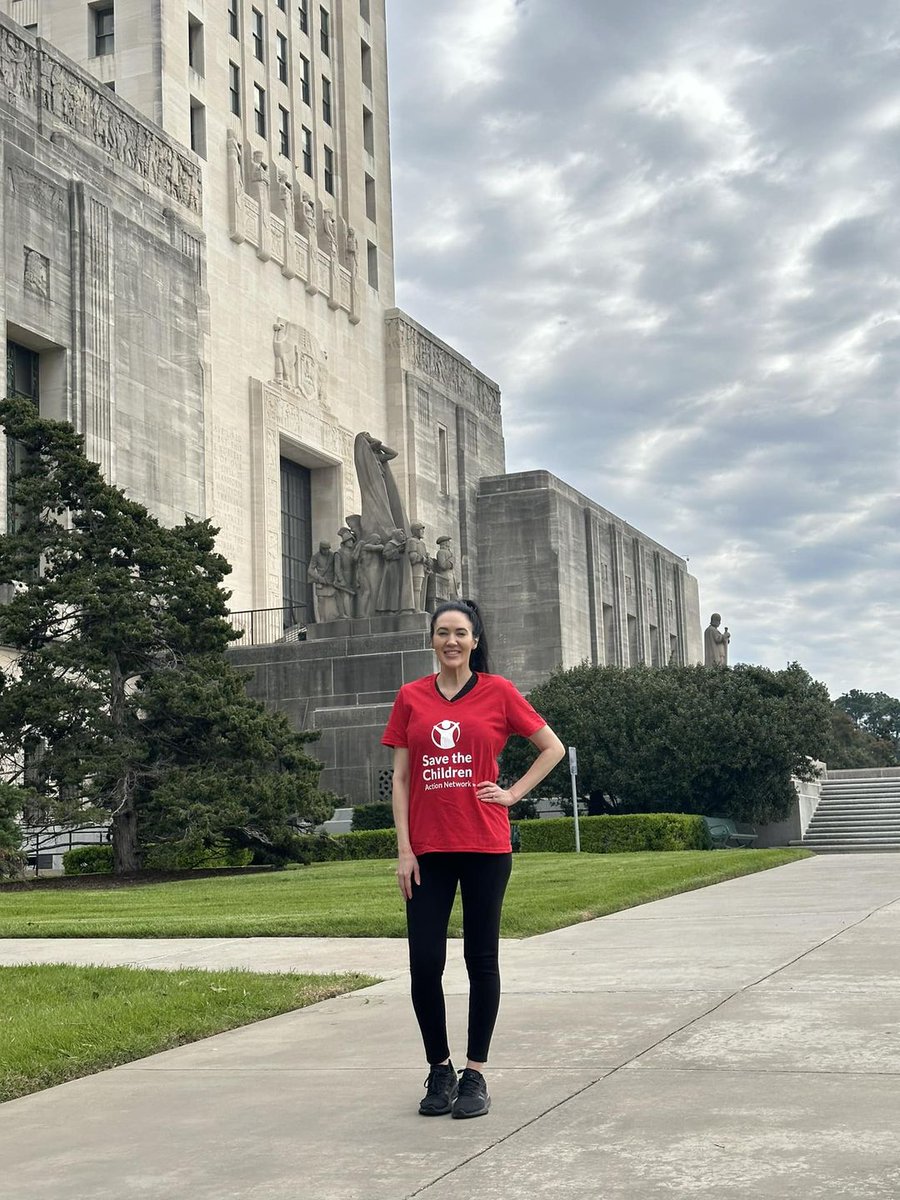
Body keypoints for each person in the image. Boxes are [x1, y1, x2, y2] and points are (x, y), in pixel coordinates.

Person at [382, 599, 565, 1119]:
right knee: (424, 965)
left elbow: (550, 747)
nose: (451, 641)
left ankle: (475, 1075)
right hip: (428, 852)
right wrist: (403, 849)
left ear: (475, 639)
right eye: (442, 632)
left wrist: (512, 794)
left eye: (460, 632)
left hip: (486, 845)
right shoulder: (410, 697)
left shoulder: (499, 692)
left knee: (481, 961)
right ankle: (439, 1070)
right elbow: (400, 777)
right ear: (432, 639)